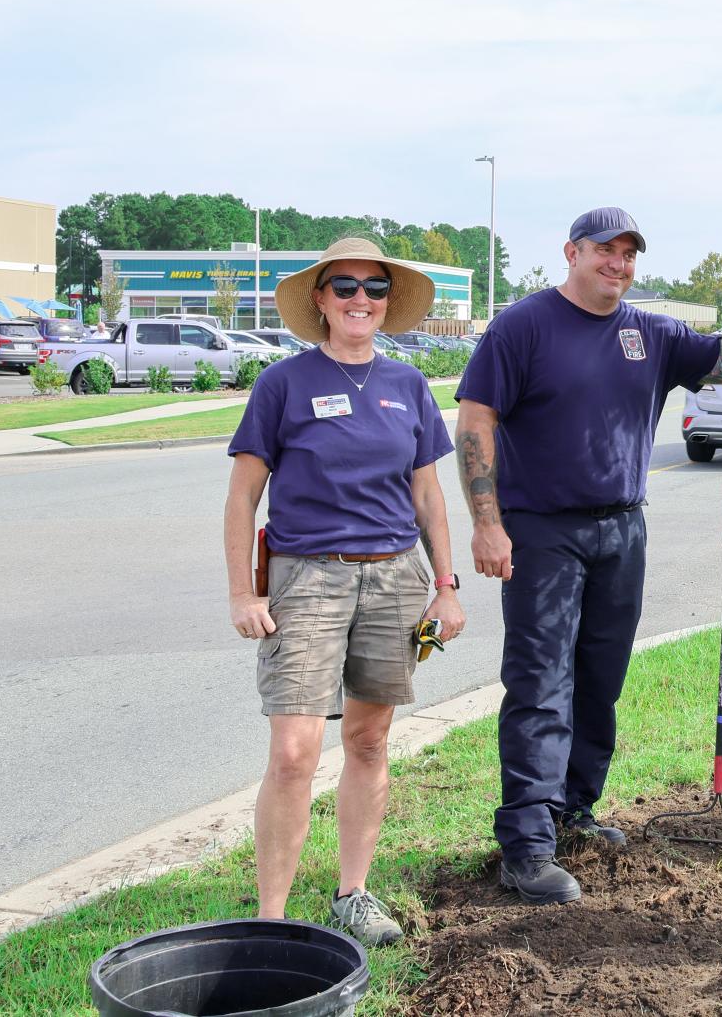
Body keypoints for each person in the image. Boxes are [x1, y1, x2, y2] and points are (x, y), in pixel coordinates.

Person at [455, 207, 722, 905]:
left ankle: (574, 810)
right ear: (572, 251)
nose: (618, 264)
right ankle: (526, 844)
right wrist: (488, 522)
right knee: (541, 681)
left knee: (600, 679)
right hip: (542, 531)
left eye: (629, 253)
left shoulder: (650, 332)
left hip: (622, 531)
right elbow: (476, 419)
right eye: (606, 250)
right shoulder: (523, 325)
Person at [223, 236, 463, 945]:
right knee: (294, 751)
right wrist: (244, 592)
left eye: (375, 288)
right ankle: (271, 919)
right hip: (306, 578)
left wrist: (445, 587)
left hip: (394, 578)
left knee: (368, 739)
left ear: (389, 304)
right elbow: (242, 499)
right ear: (321, 300)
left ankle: (353, 894)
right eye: (346, 286)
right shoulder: (283, 384)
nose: (362, 298)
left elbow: (428, 496)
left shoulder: (409, 386)